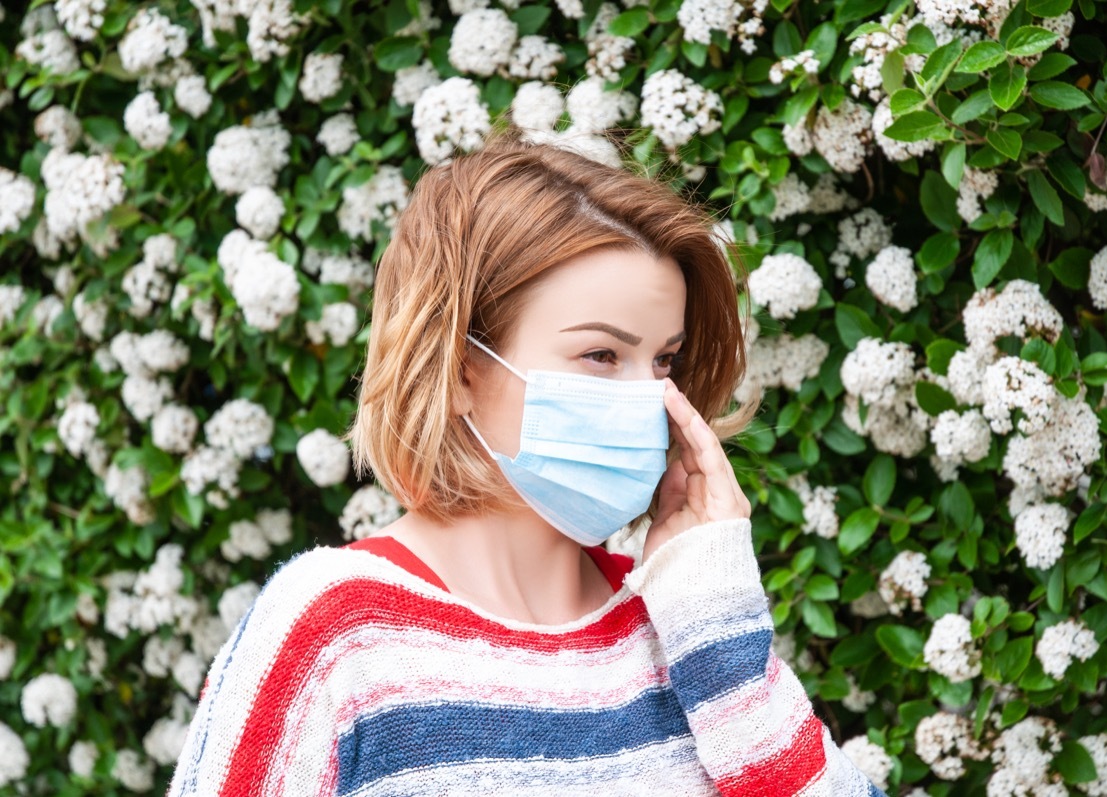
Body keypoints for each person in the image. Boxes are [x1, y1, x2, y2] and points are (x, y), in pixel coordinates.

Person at [167, 128, 887, 796]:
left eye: (663, 358)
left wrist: (718, 626)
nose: (651, 398)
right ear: (457, 369)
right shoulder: (332, 632)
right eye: (601, 354)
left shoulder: (688, 627)